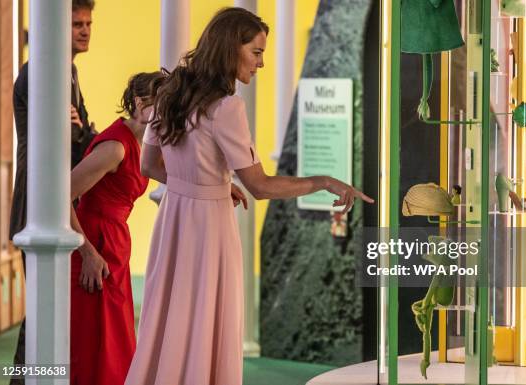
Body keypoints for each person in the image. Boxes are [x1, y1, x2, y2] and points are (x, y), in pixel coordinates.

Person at [125, 7, 373, 385]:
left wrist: (203, 185)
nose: (261, 63)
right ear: (230, 49)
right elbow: (260, 186)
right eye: (255, 52)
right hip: (210, 229)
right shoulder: (227, 107)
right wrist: (324, 181)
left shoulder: (170, 93)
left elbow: (148, 165)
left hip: (173, 220)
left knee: (172, 313)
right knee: (208, 316)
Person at [9, 1, 96, 382]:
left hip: (60, 202)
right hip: (38, 204)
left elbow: (86, 136)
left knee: (52, 308)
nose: (84, 30)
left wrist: (83, 132)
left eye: (88, 23)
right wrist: (77, 132)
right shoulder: (38, 73)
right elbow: (54, 144)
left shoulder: (68, 71)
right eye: (76, 23)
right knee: (42, 309)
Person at [69, 72, 166, 385]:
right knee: (92, 340)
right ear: (140, 103)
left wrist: (220, 188)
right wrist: (88, 253)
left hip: (115, 243)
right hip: (93, 243)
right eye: (163, 105)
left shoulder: (145, 143)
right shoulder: (115, 147)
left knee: (115, 337)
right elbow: (61, 197)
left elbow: (175, 174)